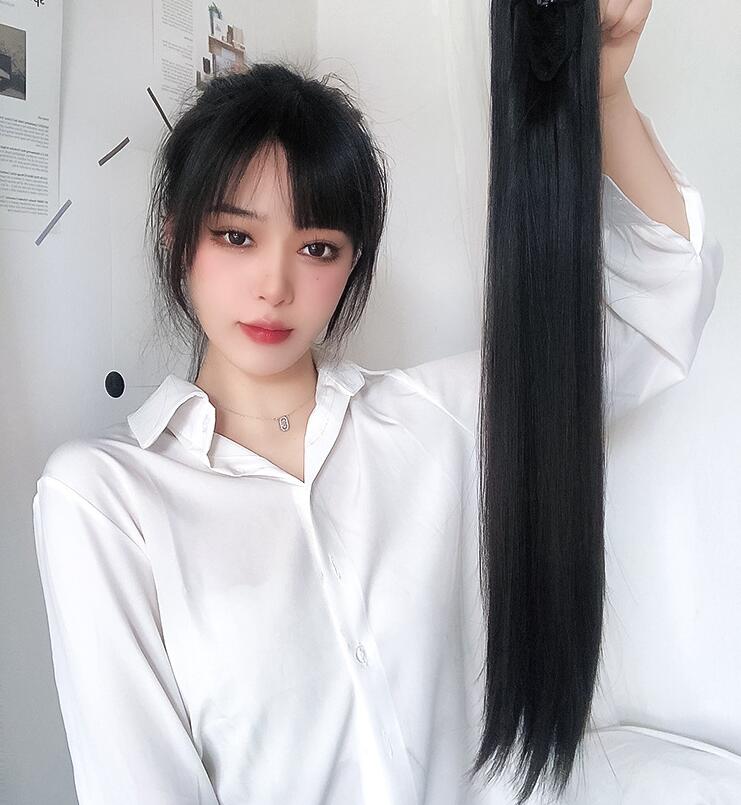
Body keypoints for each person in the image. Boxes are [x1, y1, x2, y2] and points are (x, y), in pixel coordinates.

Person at [32, 61, 721, 804]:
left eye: (317, 248)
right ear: (177, 237)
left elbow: (650, 324)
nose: (274, 285)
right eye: (236, 236)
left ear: (352, 260)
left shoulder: (439, 417)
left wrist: (603, 90)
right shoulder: (105, 498)